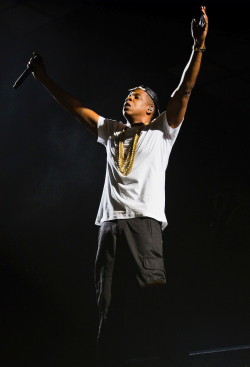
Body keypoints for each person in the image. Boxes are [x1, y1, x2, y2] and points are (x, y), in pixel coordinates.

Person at [29, 5, 208, 366]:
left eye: (137, 95)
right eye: (129, 94)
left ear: (151, 109)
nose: (130, 97)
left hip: (143, 223)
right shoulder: (111, 130)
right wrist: (44, 79)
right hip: (109, 226)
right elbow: (76, 108)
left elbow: (185, 90)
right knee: (108, 309)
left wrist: (198, 45)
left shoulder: (162, 130)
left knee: (155, 304)